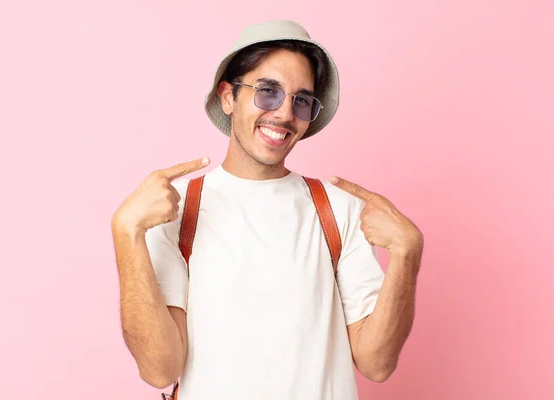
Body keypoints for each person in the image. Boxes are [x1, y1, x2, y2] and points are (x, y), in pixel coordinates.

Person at [111, 20, 424, 400]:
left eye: (302, 100)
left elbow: (377, 363)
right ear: (228, 96)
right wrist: (126, 232)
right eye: (267, 92)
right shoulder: (176, 209)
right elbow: (160, 368)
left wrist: (407, 253)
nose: (284, 114)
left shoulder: (339, 210)